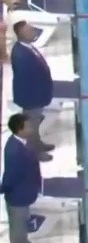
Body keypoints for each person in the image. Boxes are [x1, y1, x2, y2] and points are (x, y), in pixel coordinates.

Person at [10, 21, 53, 161]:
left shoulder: (27, 47)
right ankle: (35, 153)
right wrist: (36, 98)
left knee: (35, 125)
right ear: (22, 34)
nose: (33, 31)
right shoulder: (20, 54)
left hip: (36, 95)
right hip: (31, 98)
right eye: (29, 30)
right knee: (31, 128)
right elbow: (27, 80)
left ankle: (38, 144)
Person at [0, 114, 41, 243]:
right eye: (28, 126)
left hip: (24, 195)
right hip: (17, 199)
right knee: (18, 234)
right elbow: (10, 177)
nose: (31, 127)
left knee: (22, 229)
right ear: (19, 129)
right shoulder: (14, 150)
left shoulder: (22, 143)